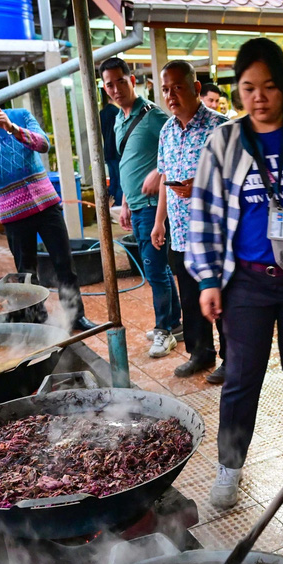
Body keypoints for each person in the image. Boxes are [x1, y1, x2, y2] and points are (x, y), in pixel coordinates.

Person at [188, 37, 283, 509]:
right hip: (246, 282)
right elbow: (206, 212)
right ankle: (229, 466)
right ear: (237, 90)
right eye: (248, 87)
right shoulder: (225, 142)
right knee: (241, 375)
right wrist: (209, 279)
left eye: (270, 87)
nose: (259, 97)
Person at [0, 72, 95, 331]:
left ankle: (76, 317)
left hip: (45, 203)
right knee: (26, 272)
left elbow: (43, 145)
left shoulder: (19, 115)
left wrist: (11, 127)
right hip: (13, 213)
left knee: (65, 263)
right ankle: (37, 320)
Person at [150, 60, 229, 382]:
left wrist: (202, 185)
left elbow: (237, 180)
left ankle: (231, 358)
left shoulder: (221, 128)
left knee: (222, 298)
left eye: (177, 87)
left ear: (196, 88)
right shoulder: (167, 130)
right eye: (165, 89)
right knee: (190, 298)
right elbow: (166, 177)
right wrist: (160, 223)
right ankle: (200, 353)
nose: (170, 96)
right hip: (180, 232)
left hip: (216, 235)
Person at [100, 57, 182, 358]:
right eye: (109, 84)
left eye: (121, 81)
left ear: (131, 79)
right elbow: (126, 163)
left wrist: (159, 172)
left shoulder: (153, 116)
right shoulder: (119, 118)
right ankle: (174, 324)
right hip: (136, 205)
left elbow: (177, 144)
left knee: (155, 270)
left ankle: (164, 330)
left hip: (153, 206)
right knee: (158, 268)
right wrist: (124, 203)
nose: (116, 88)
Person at [100, 89, 122, 206]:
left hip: (107, 151)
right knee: (120, 181)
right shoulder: (118, 113)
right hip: (117, 151)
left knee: (113, 180)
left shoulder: (102, 113)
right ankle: (118, 205)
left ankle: (111, 205)